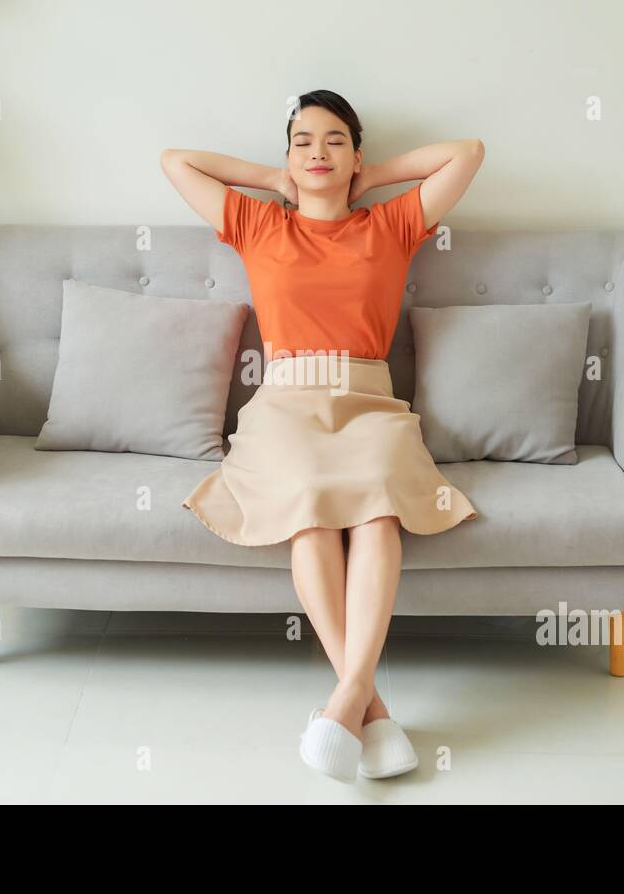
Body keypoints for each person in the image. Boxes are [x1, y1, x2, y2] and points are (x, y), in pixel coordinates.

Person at [160, 90, 483, 782]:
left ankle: (344, 701)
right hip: (285, 402)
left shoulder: (392, 224)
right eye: (302, 140)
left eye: (335, 141)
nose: (317, 152)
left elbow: (467, 153)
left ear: (355, 156)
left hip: (368, 399)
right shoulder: (257, 225)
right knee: (305, 501)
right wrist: (270, 179)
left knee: (378, 504)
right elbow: (175, 160)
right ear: (287, 156)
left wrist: (378, 174)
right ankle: (369, 704)